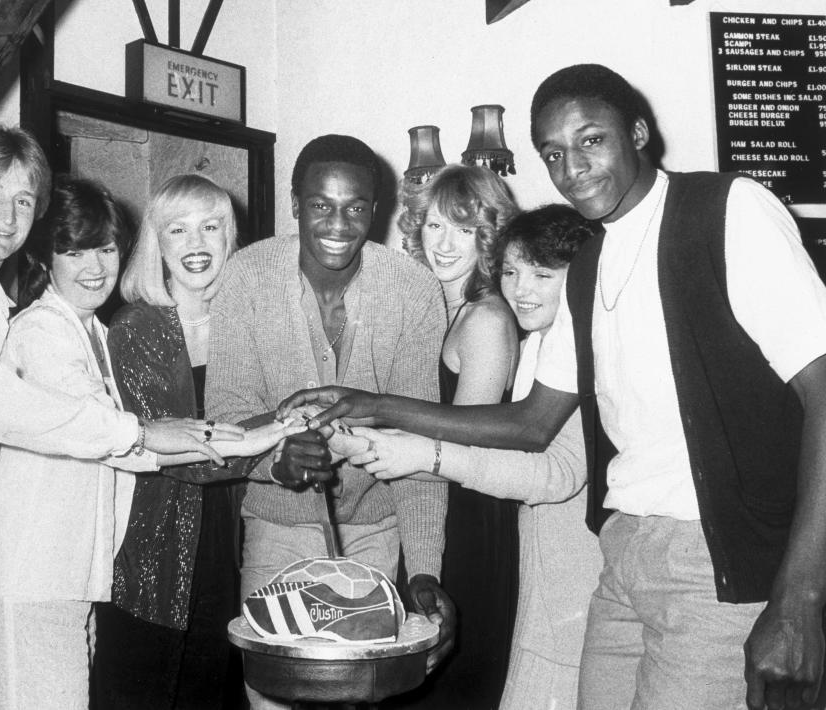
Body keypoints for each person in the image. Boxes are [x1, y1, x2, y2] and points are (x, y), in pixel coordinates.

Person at [280, 64, 826, 710]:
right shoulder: (591, 260)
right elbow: (531, 421)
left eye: (592, 140)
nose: (572, 166)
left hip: (715, 560)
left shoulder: (724, 210)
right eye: (554, 153)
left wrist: (801, 595)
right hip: (623, 554)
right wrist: (370, 404)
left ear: (640, 132)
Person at [0, 122, 239, 709]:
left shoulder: (7, 313)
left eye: (22, 200)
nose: (5, 214)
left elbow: (101, 446)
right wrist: (143, 431)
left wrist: (235, 437)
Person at [0, 175, 295, 708]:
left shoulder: (95, 332)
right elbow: (117, 436)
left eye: (105, 249)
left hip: (95, 564)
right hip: (66, 564)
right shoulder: (63, 332)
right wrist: (259, 440)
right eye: (75, 251)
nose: (95, 267)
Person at [206, 134, 455, 708]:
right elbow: (224, 421)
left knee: (356, 699)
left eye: (356, 207)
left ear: (379, 208)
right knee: (272, 695)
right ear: (295, 204)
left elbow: (421, 443)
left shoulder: (414, 291)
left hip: (376, 530)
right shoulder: (246, 277)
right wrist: (276, 460)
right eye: (321, 204)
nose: (339, 223)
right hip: (275, 530)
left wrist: (421, 572)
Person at [351, 204, 601, 710]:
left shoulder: (575, 344)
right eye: (512, 271)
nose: (522, 289)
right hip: (539, 574)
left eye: (542, 274)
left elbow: (555, 472)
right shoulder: (539, 341)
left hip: (572, 582)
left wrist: (422, 452)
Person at [90, 174, 297, 709]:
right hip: (150, 548)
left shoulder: (248, 322)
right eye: (177, 230)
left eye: (211, 227)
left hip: (232, 543)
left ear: (230, 237)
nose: (197, 243)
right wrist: (265, 437)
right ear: (157, 244)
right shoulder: (134, 326)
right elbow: (166, 453)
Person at [387, 163, 520, 709]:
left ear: (488, 236)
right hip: (428, 507)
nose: (444, 244)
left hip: (464, 521)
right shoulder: (440, 302)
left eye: (464, 230)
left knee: (446, 687)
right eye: (434, 225)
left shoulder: (486, 318)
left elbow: (463, 447)